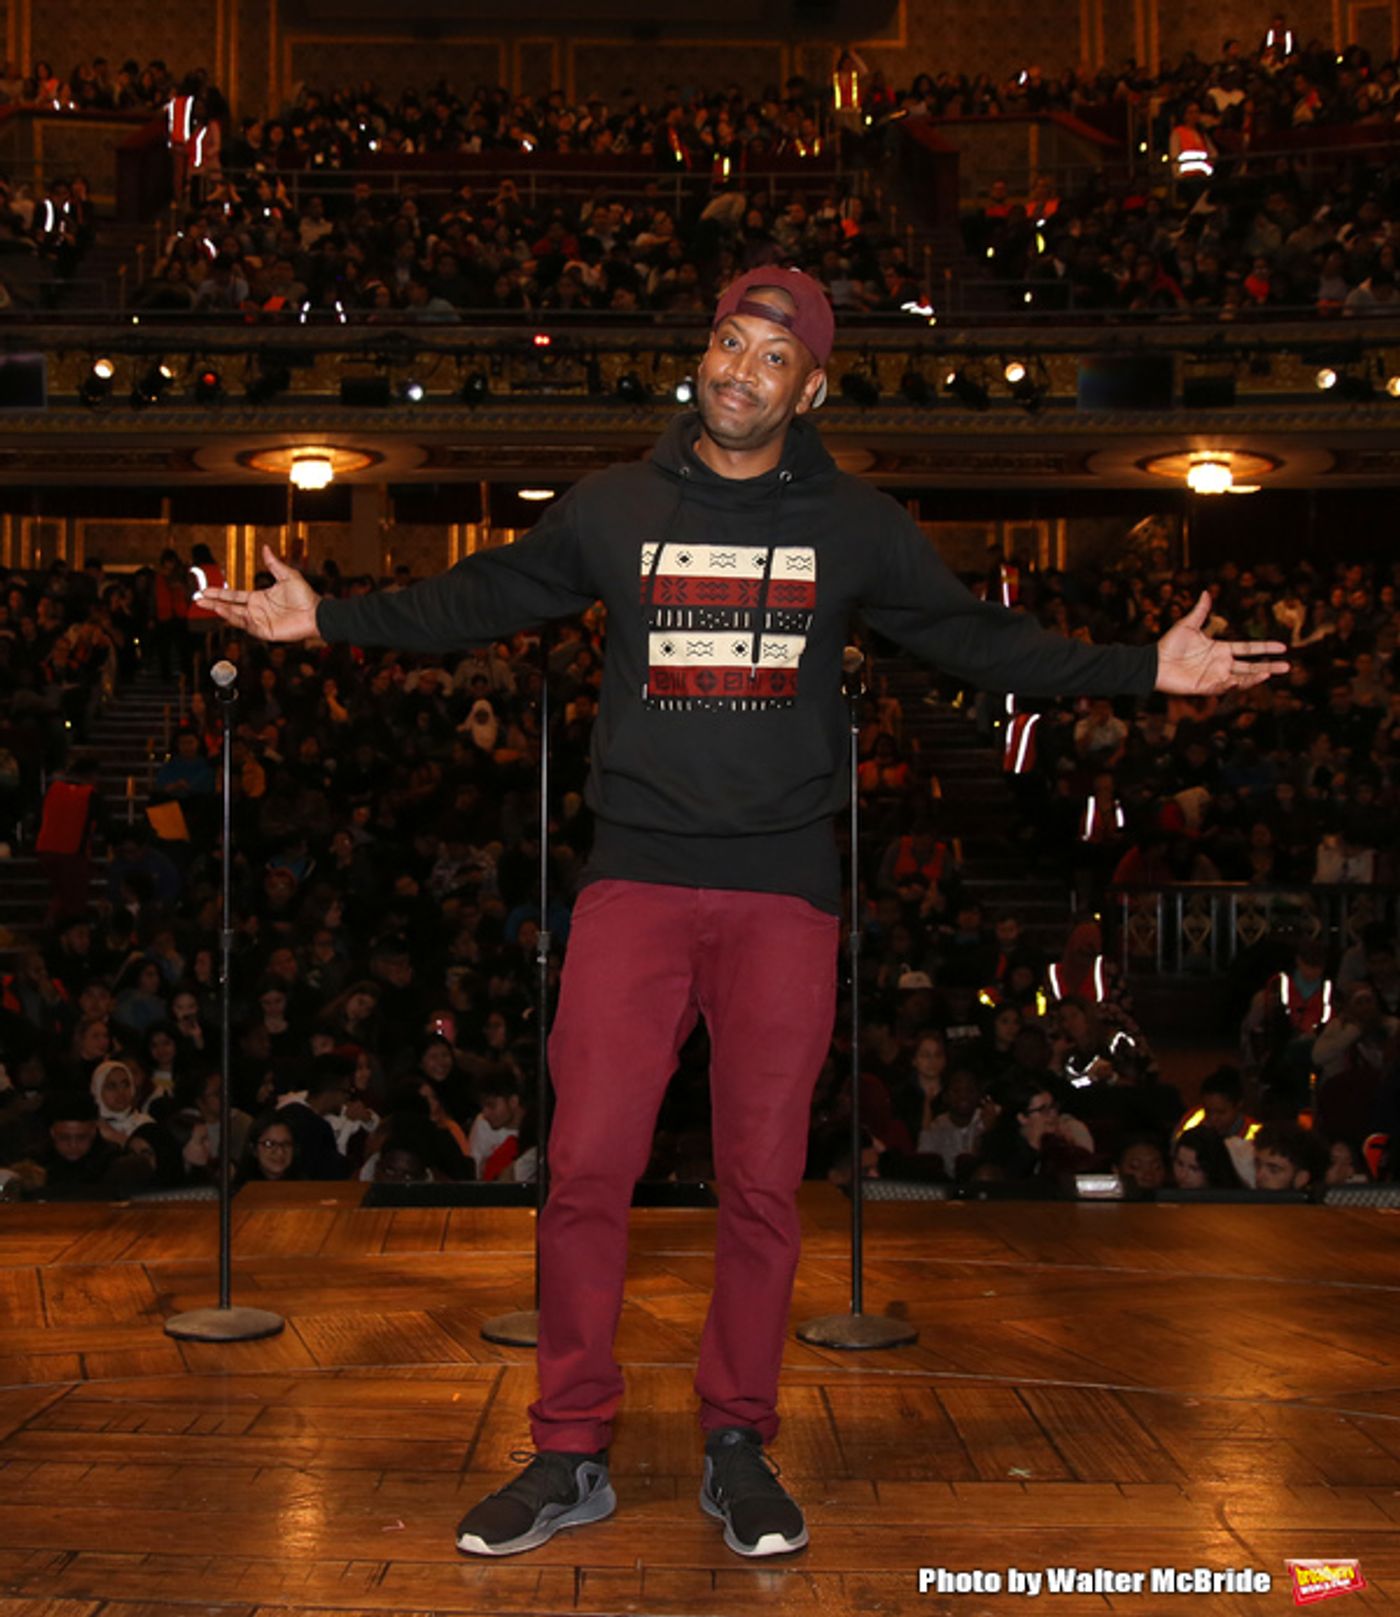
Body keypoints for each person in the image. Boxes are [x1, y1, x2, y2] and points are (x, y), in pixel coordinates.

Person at [196, 265, 1290, 1561]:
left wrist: (1140, 669)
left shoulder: (857, 522)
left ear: (809, 387)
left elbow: (967, 640)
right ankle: (568, 1445)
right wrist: (329, 616)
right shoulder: (614, 505)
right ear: (698, 355)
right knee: (587, 1168)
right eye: (728, 340)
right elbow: (482, 594)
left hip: (784, 894)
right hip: (635, 887)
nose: (740, 367)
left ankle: (736, 1441)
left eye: (772, 356)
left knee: (764, 1184)